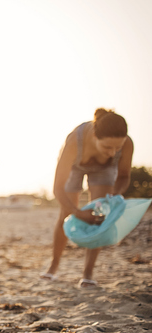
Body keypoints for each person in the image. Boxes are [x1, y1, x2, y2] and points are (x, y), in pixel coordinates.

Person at [42, 108, 134, 287]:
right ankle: (53, 266)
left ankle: (88, 272)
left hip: (104, 170)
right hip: (75, 166)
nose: (113, 152)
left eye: (118, 148)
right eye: (107, 147)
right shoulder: (74, 142)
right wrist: (77, 212)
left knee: (98, 217)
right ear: (94, 136)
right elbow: (58, 188)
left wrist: (113, 196)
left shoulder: (127, 144)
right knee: (65, 214)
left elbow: (123, 177)